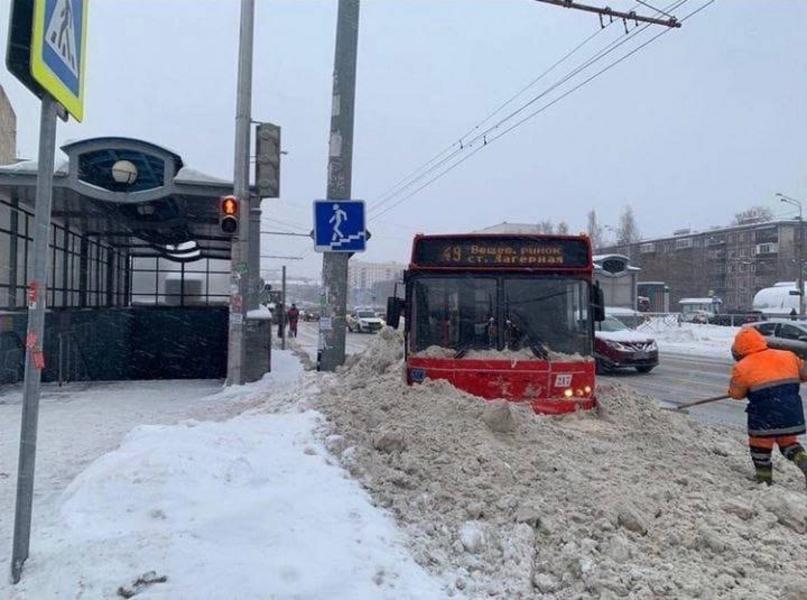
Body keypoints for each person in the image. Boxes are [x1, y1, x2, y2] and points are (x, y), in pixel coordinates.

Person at [728, 327, 807, 486]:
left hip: (764, 416)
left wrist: (735, 390)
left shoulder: (742, 367)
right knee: (789, 443)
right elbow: (804, 374)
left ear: (739, 349)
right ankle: (804, 462)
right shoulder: (788, 356)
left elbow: (736, 394)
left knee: (760, 448)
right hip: (791, 412)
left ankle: (764, 480)